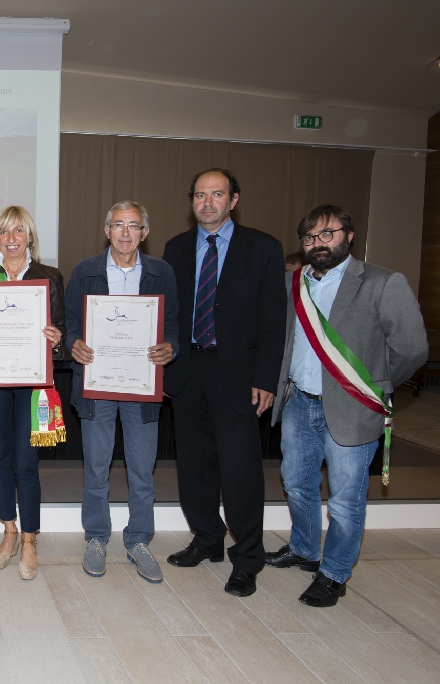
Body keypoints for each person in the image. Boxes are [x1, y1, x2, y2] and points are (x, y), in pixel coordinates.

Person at [267, 204, 427, 607]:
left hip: (353, 407)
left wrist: (377, 385)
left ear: (349, 235)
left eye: (328, 234)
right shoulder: (293, 282)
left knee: (345, 499)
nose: (318, 244)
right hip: (299, 403)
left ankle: (334, 573)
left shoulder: (383, 282)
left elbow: (412, 348)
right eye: (310, 237)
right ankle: (304, 549)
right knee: (297, 484)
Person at [161, 168, 286, 597]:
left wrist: (266, 378)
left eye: (217, 194)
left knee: (240, 471)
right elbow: (168, 314)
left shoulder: (263, 248)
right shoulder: (175, 249)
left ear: (233, 199)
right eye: (200, 195)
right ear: (191, 201)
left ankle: (248, 557)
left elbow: (274, 324)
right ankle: (207, 538)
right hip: (187, 370)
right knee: (194, 465)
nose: (207, 202)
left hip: (239, 376)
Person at [64, 201, 179, 584]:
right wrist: (74, 343)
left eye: (133, 226)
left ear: (144, 233)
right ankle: (97, 537)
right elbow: (71, 324)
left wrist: (171, 348)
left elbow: (174, 325)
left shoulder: (162, 272)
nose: (125, 233)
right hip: (98, 384)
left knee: (142, 470)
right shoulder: (85, 271)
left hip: (143, 386)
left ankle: (138, 540)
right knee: (96, 468)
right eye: (118, 225)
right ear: (106, 229)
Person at [0, 206, 65, 580]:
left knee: (26, 461)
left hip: (34, 381)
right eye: (5, 232)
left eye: (19, 231)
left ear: (30, 237)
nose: (11, 238)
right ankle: (8, 531)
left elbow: (62, 335)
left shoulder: (50, 278)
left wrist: (57, 340)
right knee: (0, 456)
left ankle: (30, 538)